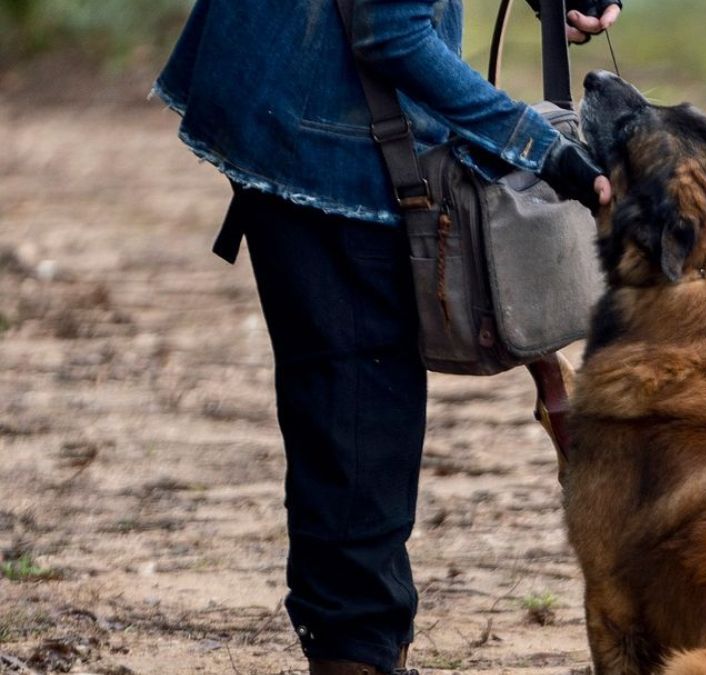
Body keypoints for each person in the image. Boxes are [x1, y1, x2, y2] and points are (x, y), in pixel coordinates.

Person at [153, 1, 621, 673]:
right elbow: (391, 32)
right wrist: (542, 148)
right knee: (358, 433)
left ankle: (368, 644)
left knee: (355, 423)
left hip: (298, 102)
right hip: (323, 131)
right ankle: (360, 654)